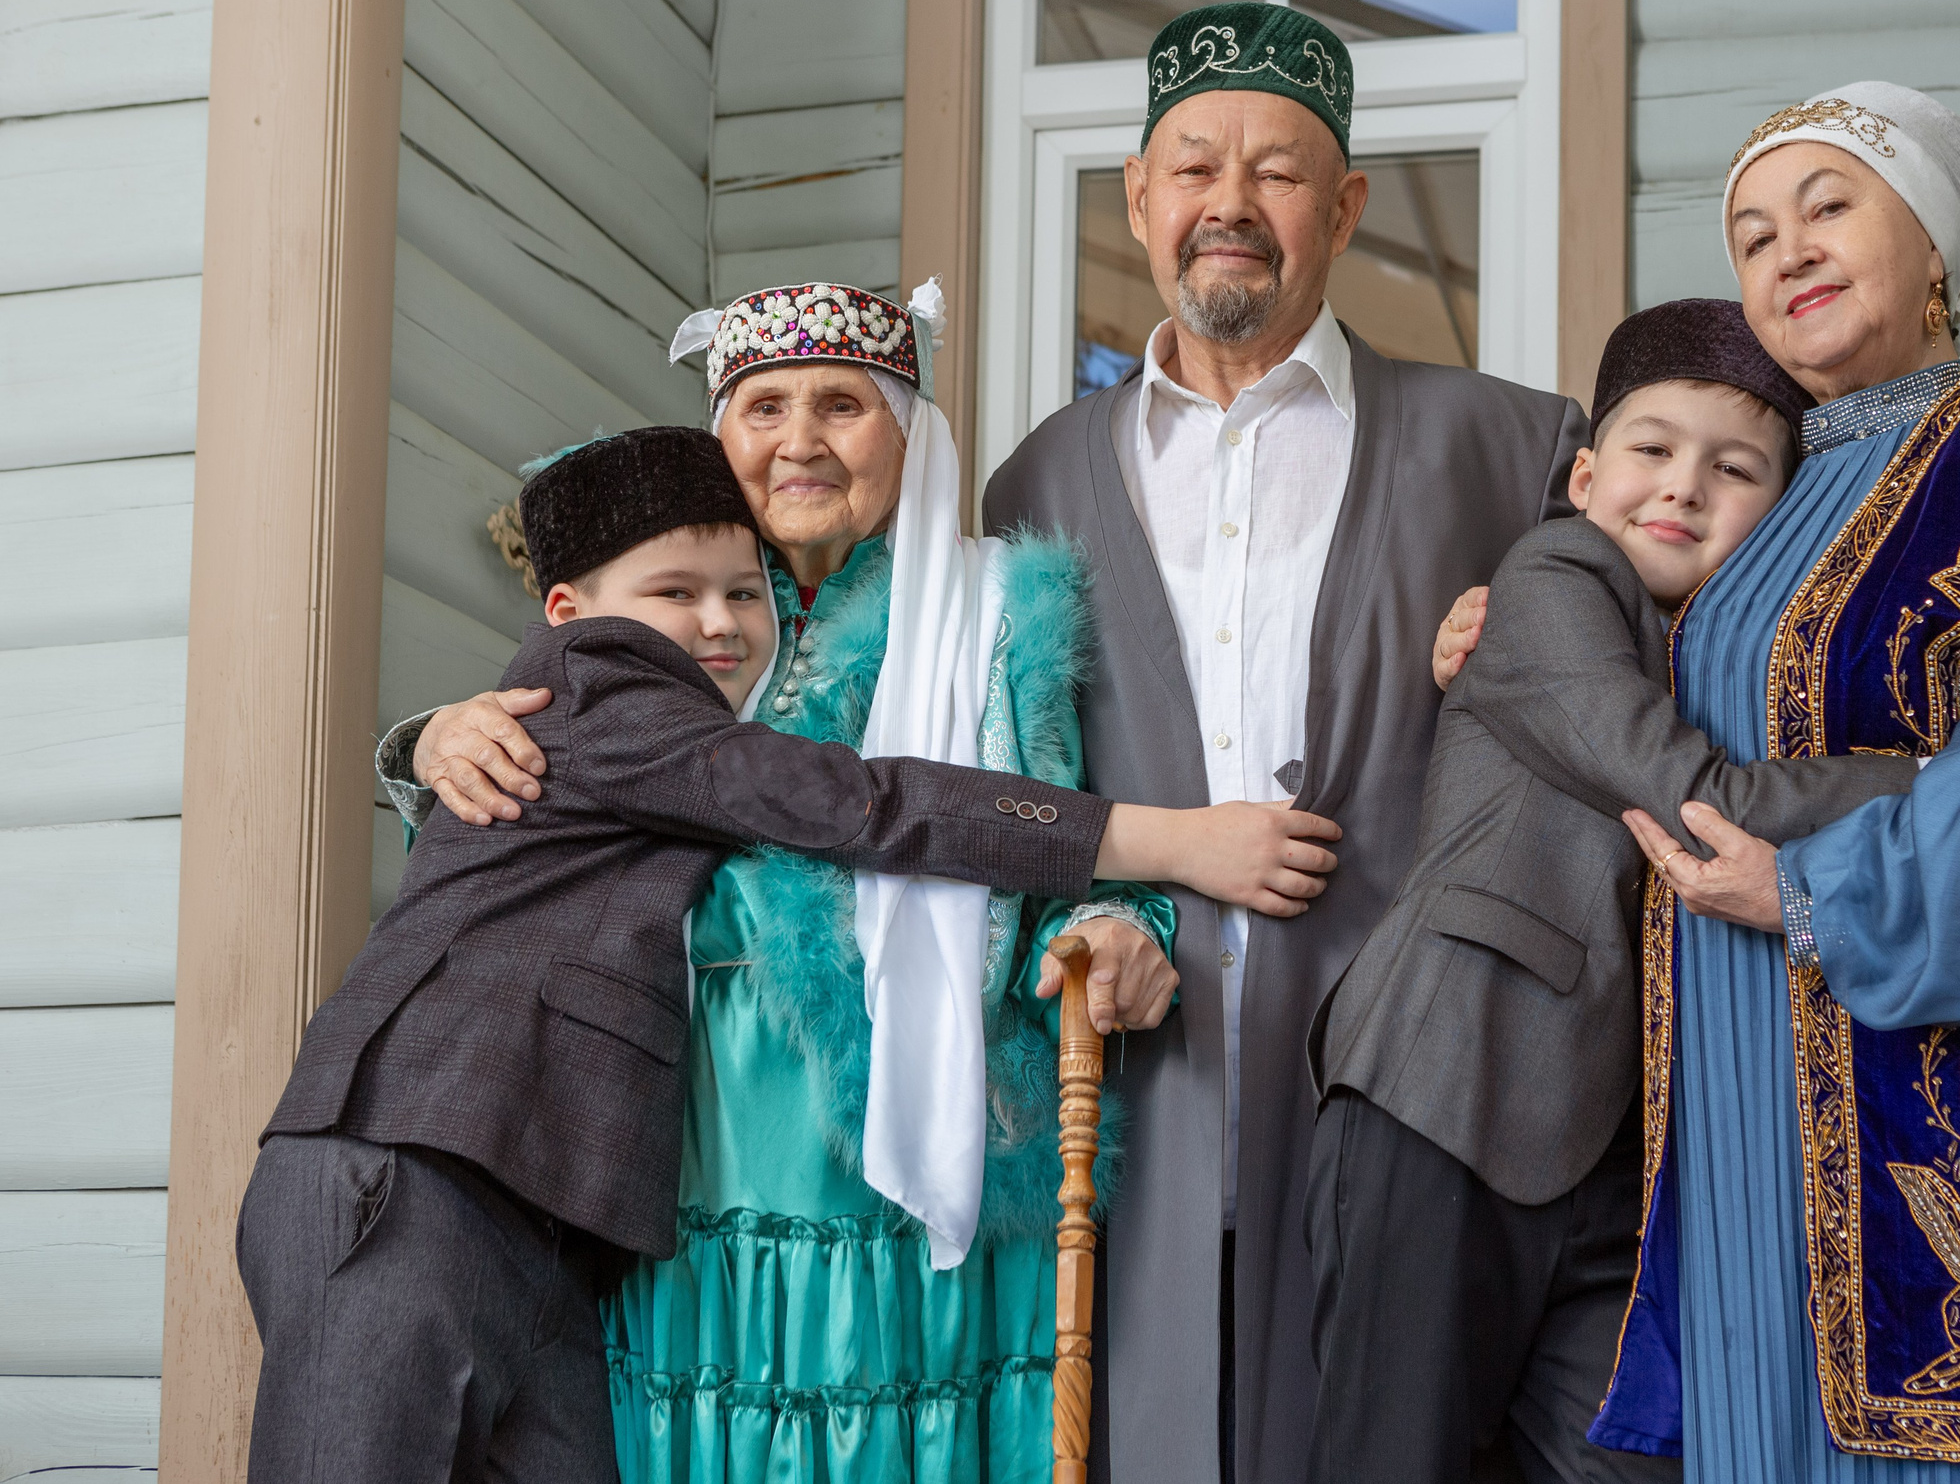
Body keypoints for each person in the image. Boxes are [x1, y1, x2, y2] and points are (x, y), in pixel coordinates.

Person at [378, 283, 1341, 1482]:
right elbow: (538, 807)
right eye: (763, 407)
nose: (800, 440)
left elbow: (1073, 825)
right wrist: (432, 739)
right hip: (680, 1153)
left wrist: (1117, 923)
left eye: (841, 404)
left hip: (925, 1131)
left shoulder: (1004, 612)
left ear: (906, 428)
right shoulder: (666, 605)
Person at [239, 425, 1182, 1481]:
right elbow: (859, 802)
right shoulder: (606, 690)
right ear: (569, 611)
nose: (720, 620)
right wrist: (1176, 842)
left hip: (557, 1223)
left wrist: (1128, 909)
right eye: (678, 593)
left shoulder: (944, 626)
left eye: (744, 592)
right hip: (420, 1169)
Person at [1500, 84, 1960, 1481]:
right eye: (1754, 236)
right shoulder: (1759, 496)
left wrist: (1807, 888)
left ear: (1933, 244)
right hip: (1742, 1091)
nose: (1790, 253)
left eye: (1828, 207)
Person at [980, 0, 1584, 1484]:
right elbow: (1005, 778)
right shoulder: (1032, 488)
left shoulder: (1517, 450)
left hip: (1418, 1099)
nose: (1230, 204)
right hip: (1134, 1091)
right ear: (1139, 198)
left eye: (1278, 171)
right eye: (1193, 168)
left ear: (1348, 207)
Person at [1305, 300, 1919, 1483]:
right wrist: (1938, 780)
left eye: (1733, 468)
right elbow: (1694, 796)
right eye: (1652, 448)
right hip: (1448, 1097)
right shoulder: (1551, 575)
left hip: (1618, 1168)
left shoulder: (1729, 653)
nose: (1683, 484)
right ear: (1585, 477)